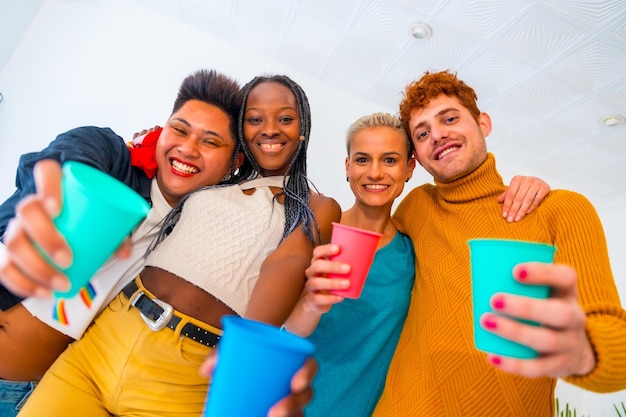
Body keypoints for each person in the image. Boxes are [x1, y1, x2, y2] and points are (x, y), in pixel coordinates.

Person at [13, 74, 341, 417]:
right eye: (254, 119)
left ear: (303, 129)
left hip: (189, 377)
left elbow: (287, 263)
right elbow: (166, 174)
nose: (269, 129)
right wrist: (150, 141)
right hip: (105, 340)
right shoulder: (212, 184)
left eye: (285, 118)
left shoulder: (316, 205)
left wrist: (244, 354)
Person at [364, 70, 626, 416]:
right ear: (418, 157)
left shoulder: (560, 210)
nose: (438, 135)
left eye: (450, 118)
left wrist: (584, 353)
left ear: (483, 123)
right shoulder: (417, 209)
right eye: (423, 133)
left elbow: (614, 343)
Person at [284, 112, 552, 416]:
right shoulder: (314, 231)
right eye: (362, 160)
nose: (374, 172)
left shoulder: (413, 248)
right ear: (348, 167)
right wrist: (310, 303)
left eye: (389, 160)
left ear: (409, 167)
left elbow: (472, 224)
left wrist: (532, 187)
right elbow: (284, 332)